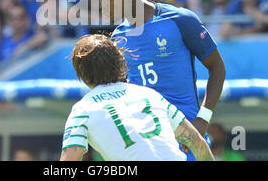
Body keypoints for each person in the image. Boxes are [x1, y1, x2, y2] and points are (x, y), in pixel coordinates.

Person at [96, 0, 226, 161]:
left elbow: (217, 68)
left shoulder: (179, 19)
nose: (104, 6)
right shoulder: (118, 37)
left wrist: (203, 119)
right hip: (147, 146)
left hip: (187, 141)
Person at [60, 34, 215, 161]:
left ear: (82, 74)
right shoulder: (150, 94)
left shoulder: (82, 109)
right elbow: (198, 144)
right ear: (120, 62)